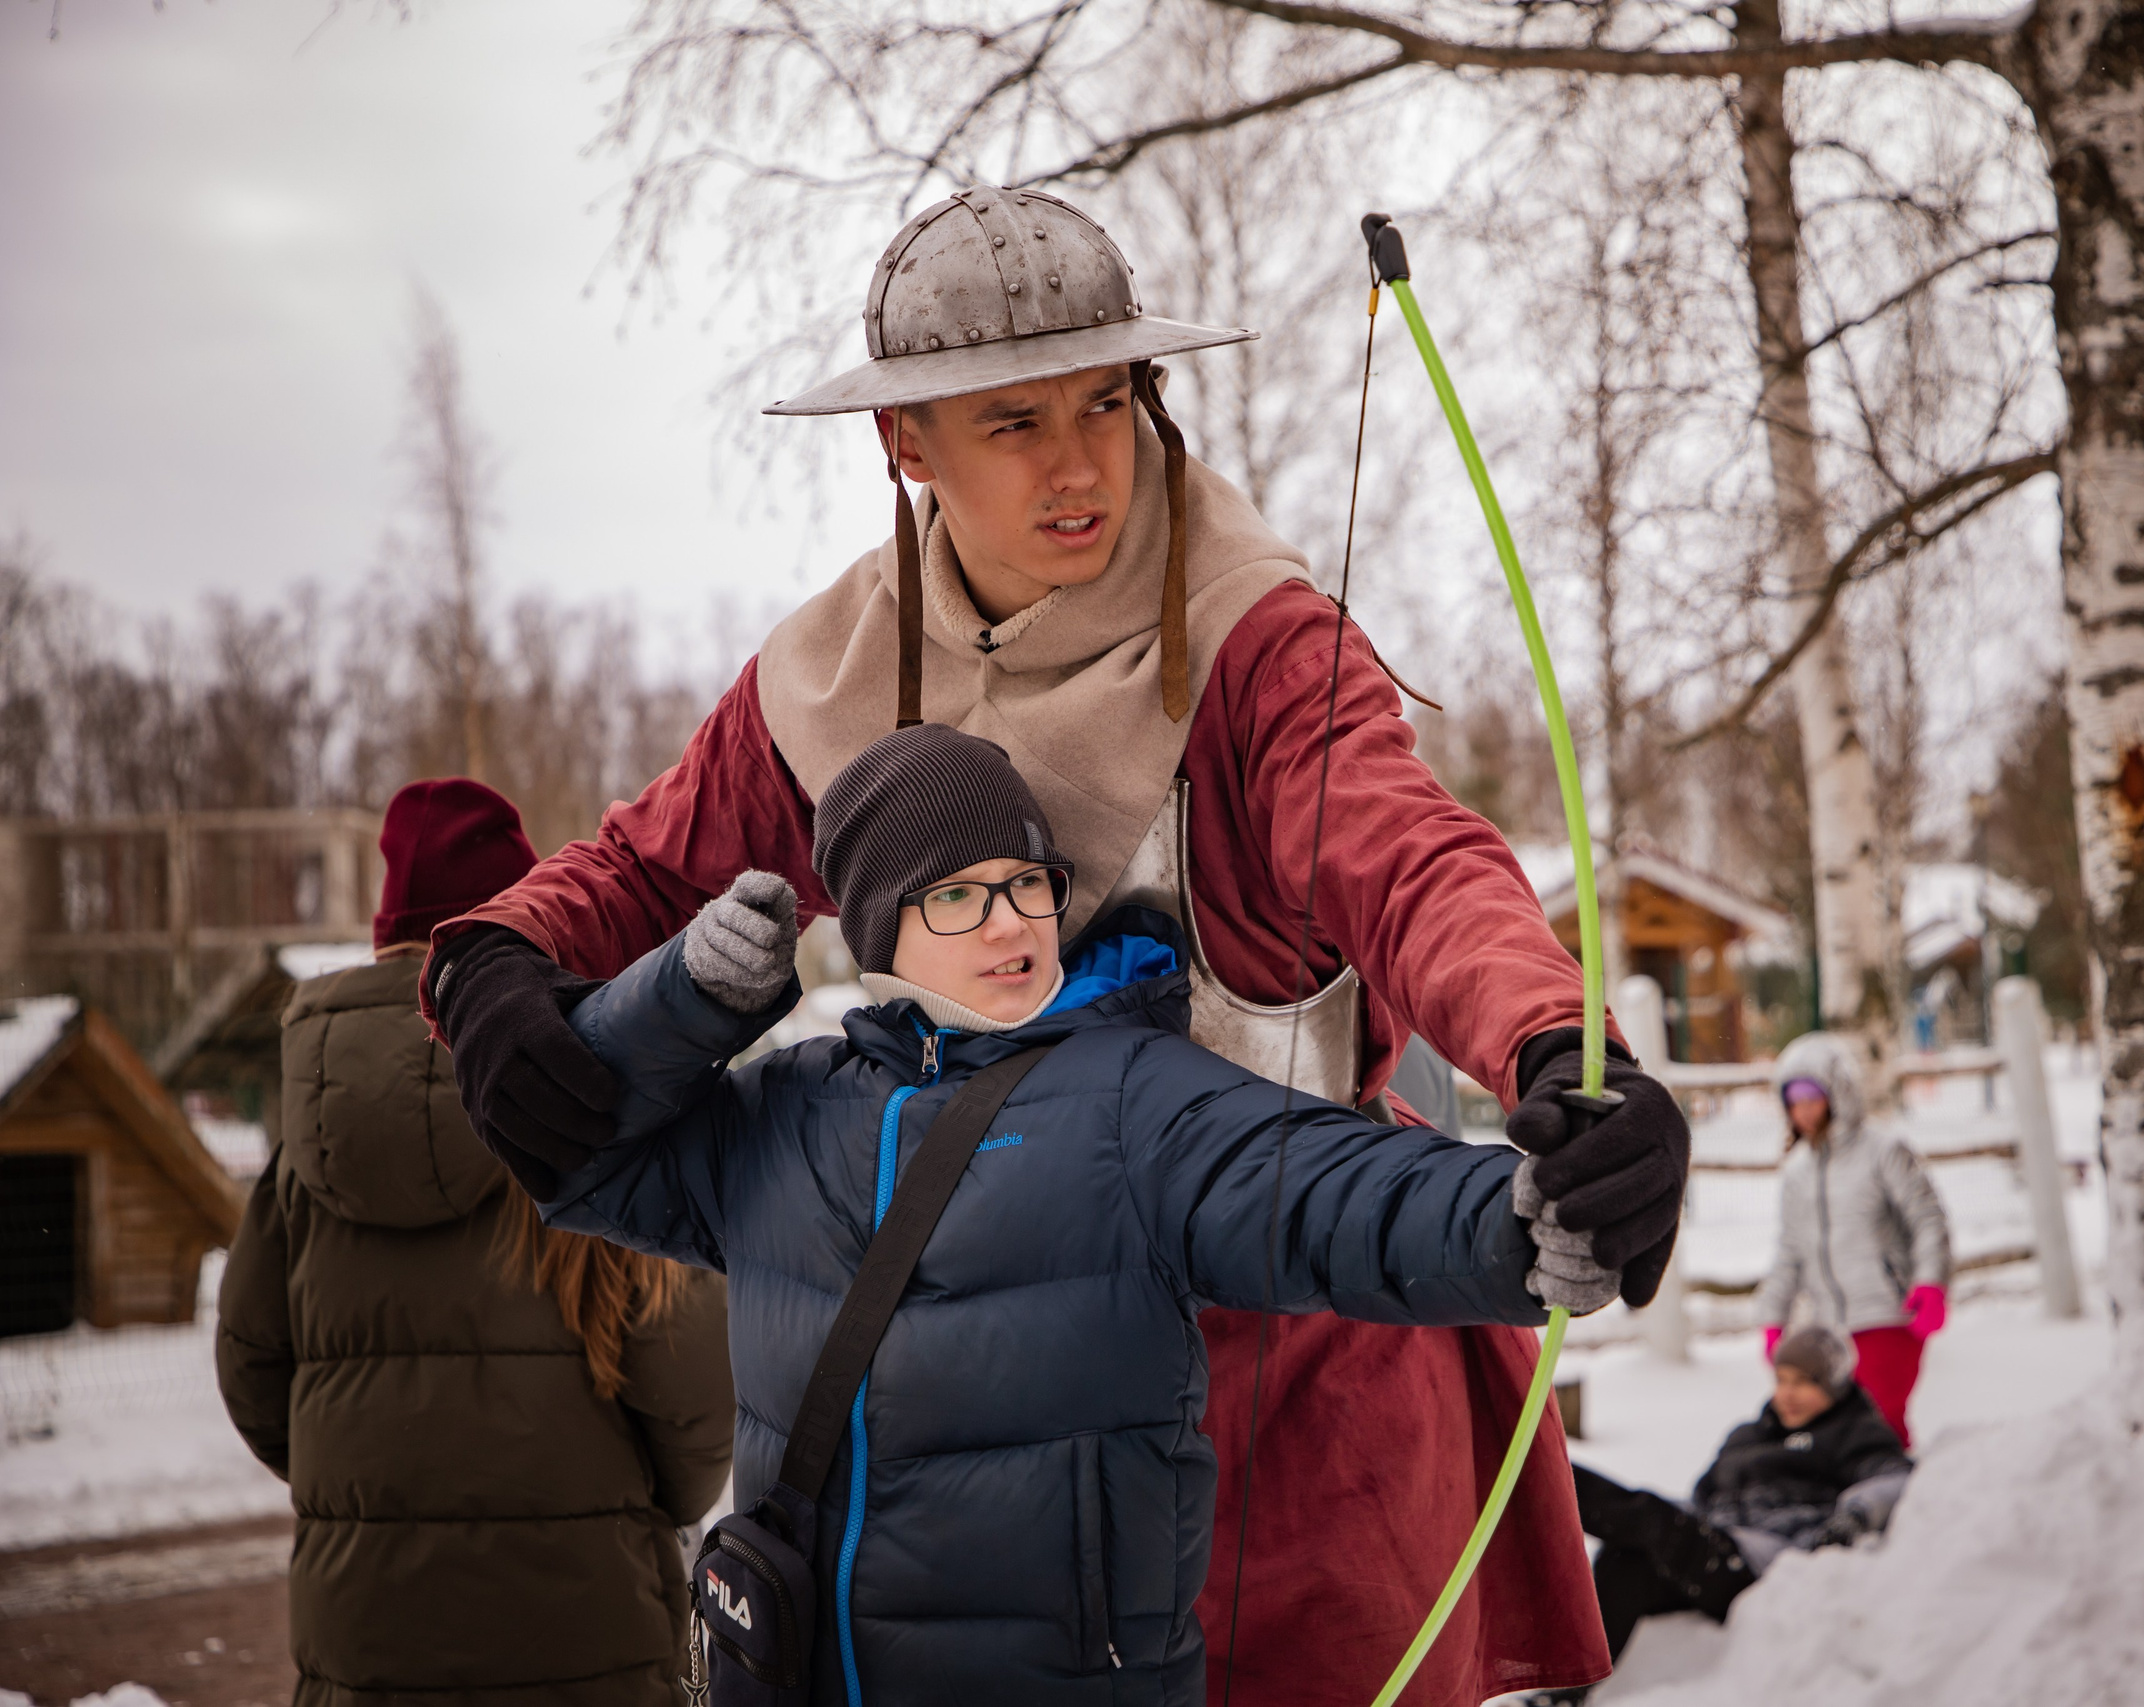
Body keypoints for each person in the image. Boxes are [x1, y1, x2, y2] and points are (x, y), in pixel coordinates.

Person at [419, 185, 1688, 1701]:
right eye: (1014, 421)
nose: (1085, 461)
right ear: (908, 444)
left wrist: (1558, 1045)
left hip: (1291, 1387)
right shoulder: (831, 673)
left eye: (1112, 397)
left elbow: (1412, 864)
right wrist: (495, 958)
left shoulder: (1258, 645)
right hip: (989, 1448)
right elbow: (632, 869)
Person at [544, 725, 1620, 1703]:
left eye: (1027, 883)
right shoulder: (784, 1109)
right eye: (956, 895)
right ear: (877, 922)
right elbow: (577, 1159)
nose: (1009, 920)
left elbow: (1322, 1190)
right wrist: (683, 998)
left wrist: (1519, 1217)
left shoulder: (1133, 1096)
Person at [214, 779, 735, 1707]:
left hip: (366, 1637)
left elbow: (254, 1377)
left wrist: (379, 1483)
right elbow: (693, 1399)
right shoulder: (582, 1098)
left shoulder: (305, 1140)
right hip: (585, 1633)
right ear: (518, 917)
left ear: (385, 933)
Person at [1541, 1325, 1912, 1693]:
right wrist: (1668, 1514)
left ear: (1833, 1384)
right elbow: (1701, 1501)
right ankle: (1565, 1694)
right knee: (1625, 1557)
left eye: (1803, 1382)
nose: (1788, 1394)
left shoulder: (1854, 1432)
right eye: (1781, 1380)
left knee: (1647, 1518)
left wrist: (1855, 1515)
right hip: (1717, 1544)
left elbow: (1892, 1478)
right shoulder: (1747, 1437)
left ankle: (1542, 1480)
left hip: (1764, 1565)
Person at [1754, 1030, 1951, 1446]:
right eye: (1793, 1102)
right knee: (1837, 1434)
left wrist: (1931, 1283)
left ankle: (1897, 1500)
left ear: (1838, 1094)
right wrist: (1773, 1317)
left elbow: (1927, 1219)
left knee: (1879, 1426)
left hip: (1889, 1316)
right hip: (1830, 1328)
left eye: (1812, 1097)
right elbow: (1789, 1252)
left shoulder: (1883, 1151)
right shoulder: (1797, 1172)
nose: (1802, 1111)